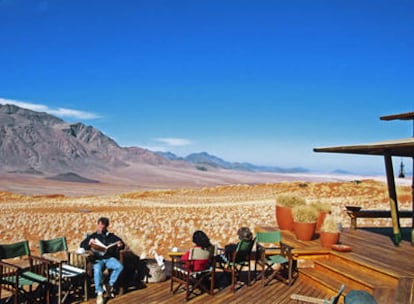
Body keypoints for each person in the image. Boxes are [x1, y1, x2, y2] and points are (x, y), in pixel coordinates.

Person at [80, 217, 125, 304]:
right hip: (97, 259)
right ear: (97, 225)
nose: (100, 229)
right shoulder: (93, 236)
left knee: (119, 266)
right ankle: (99, 292)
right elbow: (82, 245)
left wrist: (120, 244)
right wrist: (89, 243)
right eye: (99, 227)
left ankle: (110, 284)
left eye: (103, 227)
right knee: (97, 270)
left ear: (106, 227)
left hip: (108, 258)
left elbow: (121, 243)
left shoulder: (111, 236)